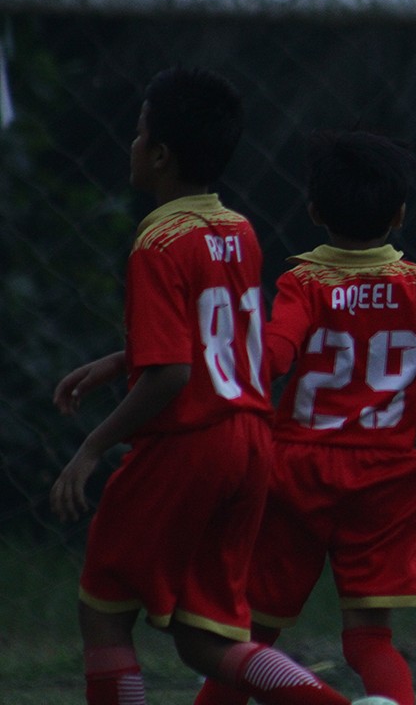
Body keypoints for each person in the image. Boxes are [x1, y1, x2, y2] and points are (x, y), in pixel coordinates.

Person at [193, 128, 416, 705]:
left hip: (296, 473)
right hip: (386, 480)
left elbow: (273, 360)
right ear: (400, 215)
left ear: (314, 210)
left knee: (252, 636)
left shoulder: (303, 282)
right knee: (370, 640)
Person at [49, 66, 351, 705]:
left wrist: (93, 447)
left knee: (104, 609)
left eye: (137, 133)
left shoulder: (157, 241)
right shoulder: (236, 230)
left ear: (158, 155)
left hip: (187, 444)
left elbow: (174, 374)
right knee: (204, 638)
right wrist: (116, 361)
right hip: (249, 444)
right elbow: (212, 336)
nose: (131, 145)